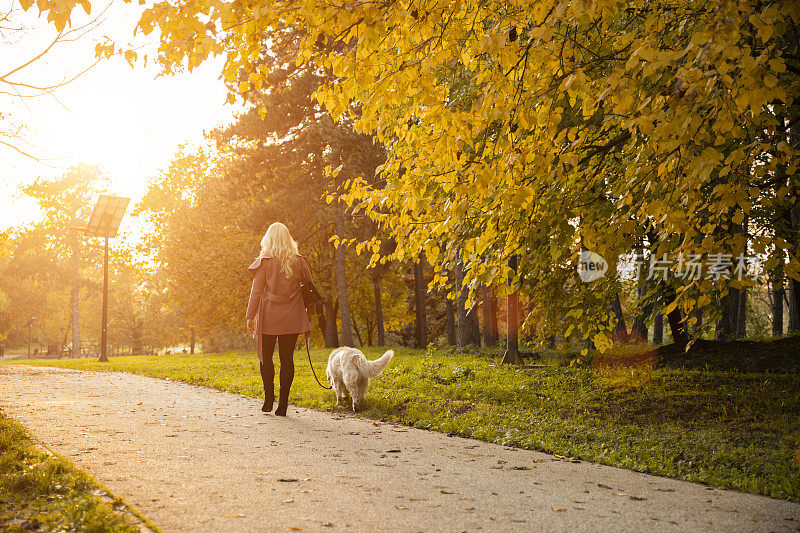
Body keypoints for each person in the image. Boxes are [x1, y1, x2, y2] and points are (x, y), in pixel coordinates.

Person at [246, 222, 313, 416]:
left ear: (269, 238)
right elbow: (310, 288)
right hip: (292, 316)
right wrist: (310, 314)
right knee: (287, 359)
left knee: (265, 358)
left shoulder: (264, 261)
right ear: (288, 238)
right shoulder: (299, 261)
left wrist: (250, 316)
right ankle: (282, 404)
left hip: (269, 317)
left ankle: (268, 400)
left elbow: (256, 291)